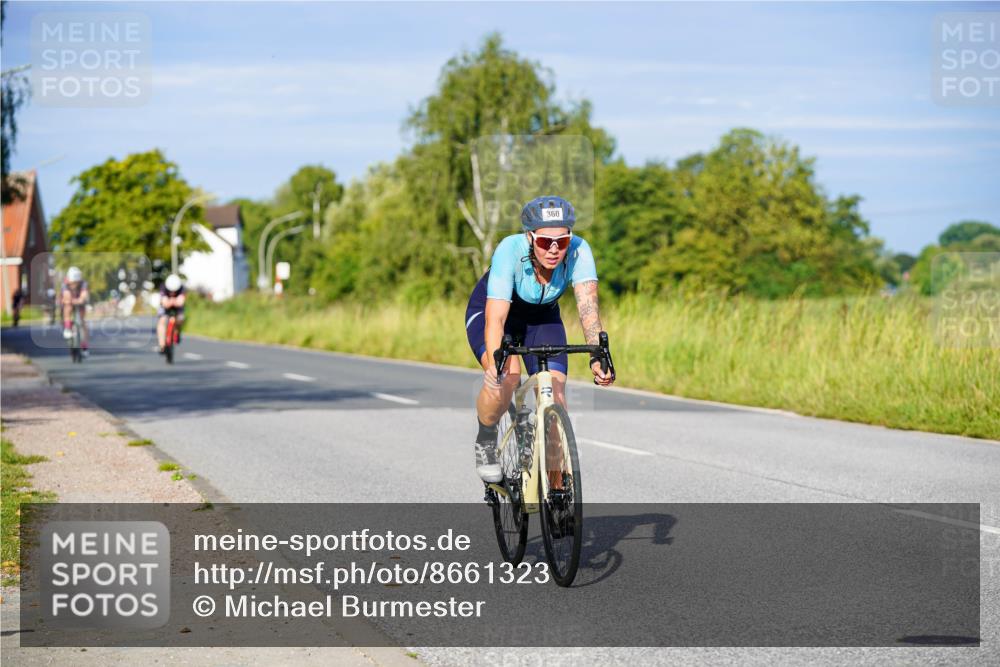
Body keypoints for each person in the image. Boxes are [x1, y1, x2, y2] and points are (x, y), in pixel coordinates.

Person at [465, 195, 614, 482]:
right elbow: (495, 319)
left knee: (556, 397)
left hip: (543, 319)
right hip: (495, 313)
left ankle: (557, 495)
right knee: (507, 377)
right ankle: (485, 439)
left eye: (563, 240)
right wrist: (495, 366)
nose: (555, 249)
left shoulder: (580, 251)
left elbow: (588, 309)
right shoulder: (509, 249)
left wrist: (598, 355)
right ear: (530, 237)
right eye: (546, 241)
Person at [61, 266, 90, 356]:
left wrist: (81, 299)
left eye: (76, 283)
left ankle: (84, 345)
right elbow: (66, 295)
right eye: (72, 283)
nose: (74, 285)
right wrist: (69, 300)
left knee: (82, 321)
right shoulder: (65, 283)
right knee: (67, 307)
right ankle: (67, 327)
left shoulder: (83, 283)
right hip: (69, 300)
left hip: (79, 301)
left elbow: (84, 294)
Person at [157, 274, 186, 352]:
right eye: (171, 291)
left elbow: (181, 301)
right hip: (165, 307)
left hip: (177, 307)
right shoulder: (163, 287)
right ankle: (162, 345)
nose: (173, 292)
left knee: (181, 318)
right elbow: (164, 302)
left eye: (174, 291)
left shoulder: (182, 288)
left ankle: (177, 332)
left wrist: (174, 302)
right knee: (162, 321)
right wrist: (170, 302)